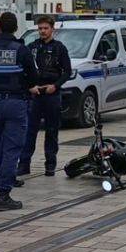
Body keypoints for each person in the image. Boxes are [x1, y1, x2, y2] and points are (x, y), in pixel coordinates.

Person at [0, 12, 40, 211]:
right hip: (15, 103)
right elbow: (33, 77)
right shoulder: (20, 50)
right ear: (15, 28)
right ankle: (3, 195)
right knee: (11, 150)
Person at [19, 16, 72, 177]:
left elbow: (67, 71)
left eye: (45, 28)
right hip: (35, 95)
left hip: (52, 94)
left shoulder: (59, 48)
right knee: (30, 131)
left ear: (52, 29)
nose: (42, 31)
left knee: (52, 131)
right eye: (40, 28)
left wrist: (55, 86)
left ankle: (50, 165)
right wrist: (30, 87)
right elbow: (23, 69)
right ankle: (24, 164)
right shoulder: (31, 47)